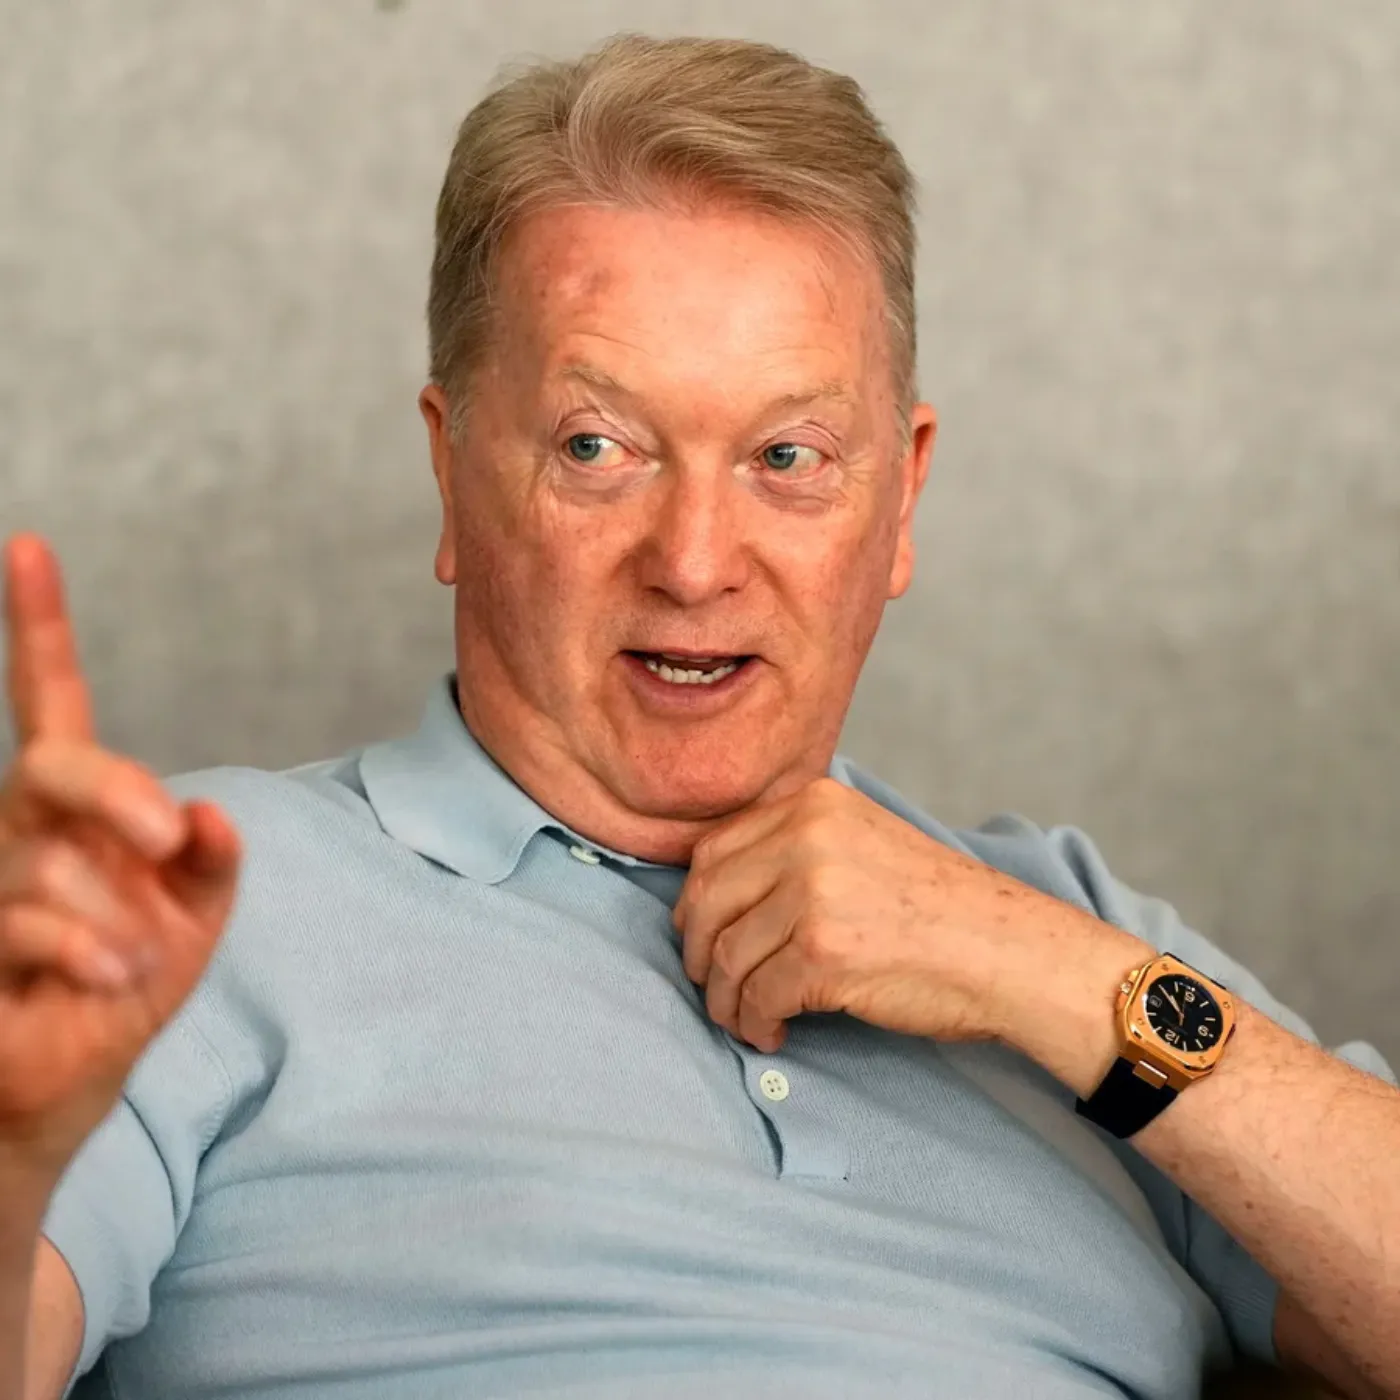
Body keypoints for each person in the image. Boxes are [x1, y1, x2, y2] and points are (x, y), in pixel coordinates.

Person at [0, 33, 1395, 1400]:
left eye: (789, 456)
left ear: (902, 500)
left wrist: (1041, 974)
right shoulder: (186, 907)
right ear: (452, 469)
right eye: (597, 448)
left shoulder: (1059, 932)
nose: (695, 560)